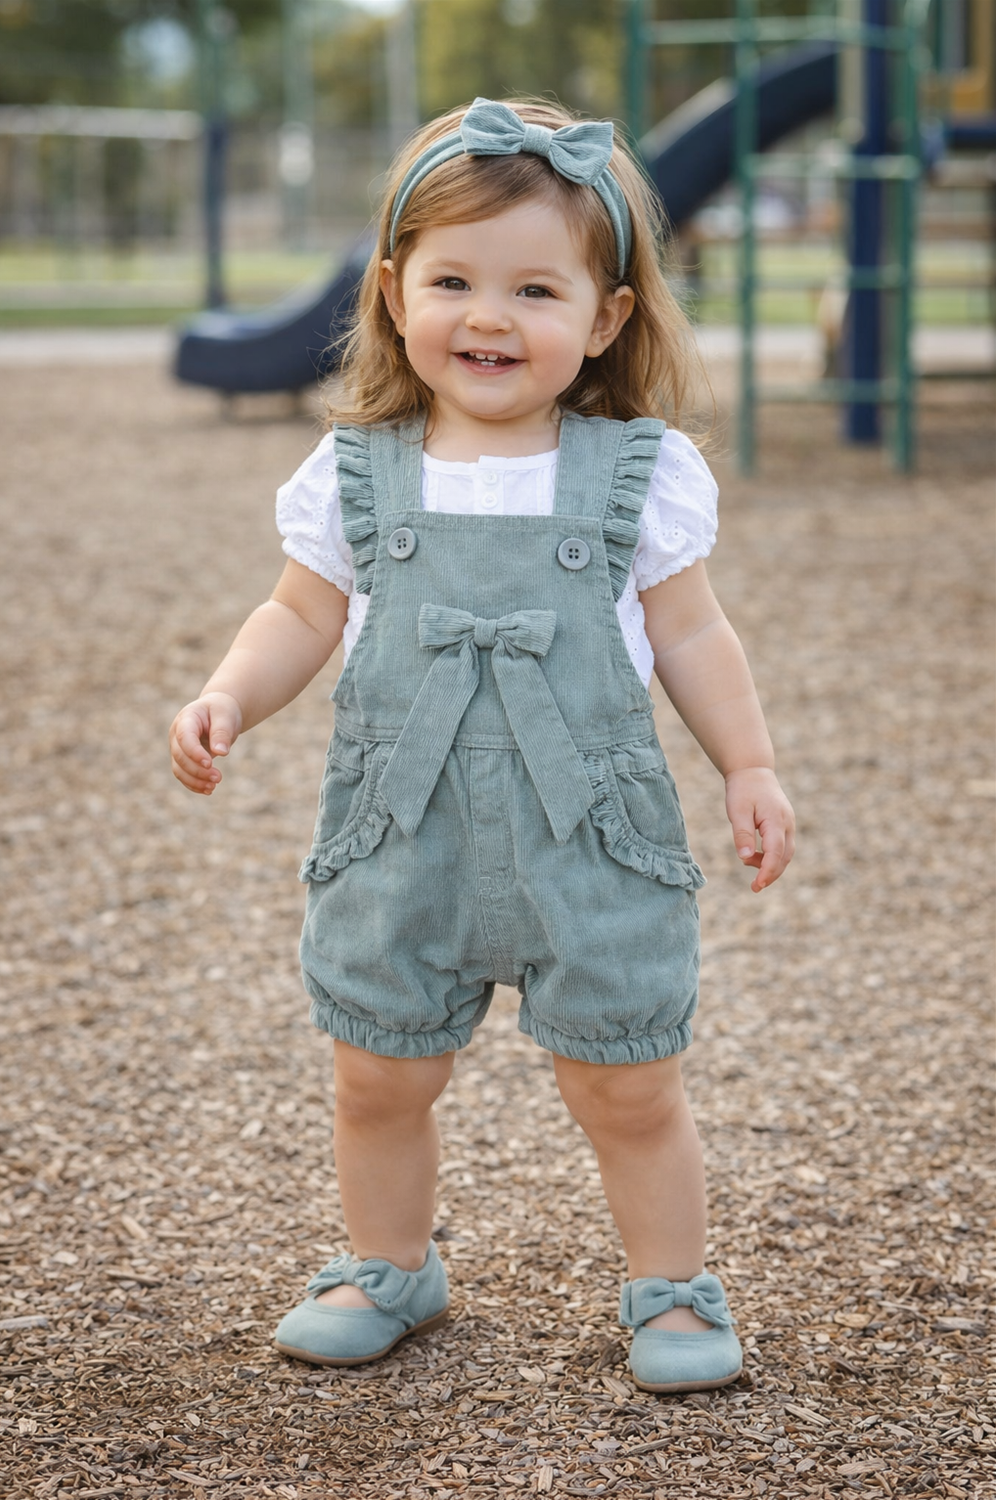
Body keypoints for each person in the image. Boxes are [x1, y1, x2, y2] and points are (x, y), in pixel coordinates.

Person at [169, 97, 795, 1395]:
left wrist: (749, 763)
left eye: (534, 288)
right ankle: (390, 1264)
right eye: (453, 281)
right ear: (394, 295)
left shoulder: (638, 471)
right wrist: (230, 694)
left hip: (596, 841)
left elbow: (692, 636)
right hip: (405, 835)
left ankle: (671, 1289)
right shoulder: (356, 472)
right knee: (378, 1075)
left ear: (607, 316)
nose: (490, 317)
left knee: (627, 1085)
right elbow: (300, 612)